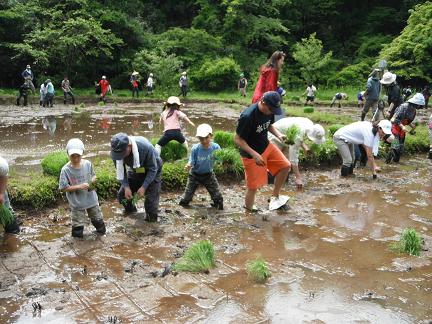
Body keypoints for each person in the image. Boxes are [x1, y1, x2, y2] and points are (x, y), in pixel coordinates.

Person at [235, 91, 291, 211]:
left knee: (286, 166)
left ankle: (275, 197)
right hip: (251, 154)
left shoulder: (270, 110)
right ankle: (249, 209)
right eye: (270, 109)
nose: (271, 112)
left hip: (266, 146)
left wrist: (279, 135)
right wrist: (254, 154)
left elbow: (269, 125)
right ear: (262, 102)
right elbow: (238, 139)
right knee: (253, 186)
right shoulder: (248, 116)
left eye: (274, 110)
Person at [59, 139, 106, 238]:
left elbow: (94, 176)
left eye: (78, 156)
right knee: (77, 225)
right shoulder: (66, 170)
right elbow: (63, 188)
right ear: (68, 154)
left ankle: (101, 235)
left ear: (82, 153)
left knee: (97, 219)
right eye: (73, 156)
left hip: (91, 199)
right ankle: (78, 243)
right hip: (77, 202)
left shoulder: (87, 164)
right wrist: (79, 186)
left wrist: (91, 181)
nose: (76, 159)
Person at [110, 133, 162, 222]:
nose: (120, 157)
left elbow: (153, 169)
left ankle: (152, 226)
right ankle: (132, 213)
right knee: (122, 196)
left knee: (150, 204)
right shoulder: (116, 152)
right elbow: (121, 172)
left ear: (129, 146)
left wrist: (144, 187)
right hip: (135, 169)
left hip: (153, 169)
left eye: (122, 153)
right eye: (118, 154)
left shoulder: (145, 147)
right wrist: (126, 187)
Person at [269, 117, 325, 189]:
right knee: (275, 161)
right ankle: (270, 186)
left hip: (287, 138)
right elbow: (294, 157)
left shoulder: (309, 125)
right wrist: (298, 177)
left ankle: (283, 185)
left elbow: (299, 138)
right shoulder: (299, 134)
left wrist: (305, 147)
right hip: (275, 134)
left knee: (286, 164)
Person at [179, 124, 224, 210]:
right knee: (186, 197)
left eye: (206, 137)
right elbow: (191, 160)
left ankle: (217, 206)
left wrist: (223, 163)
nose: (204, 141)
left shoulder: (215, 147)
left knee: (217, 196)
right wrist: (189, 165)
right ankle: (182, 206)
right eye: (201, 138)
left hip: (209, 175)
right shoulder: (195, 148)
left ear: (211, 136)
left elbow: (220, 158)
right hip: (194, 175)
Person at [387, 93, 425, 163]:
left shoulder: (414, 110)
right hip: (395, 128)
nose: (420, 106)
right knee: (394, 147)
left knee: (400, 149)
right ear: (415, 103)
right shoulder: (403, 107)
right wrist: (402, 126)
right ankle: (388, 163)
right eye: (419, 105)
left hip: (402, 131)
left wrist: (412, 126)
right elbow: (395, 119)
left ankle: (395, 165)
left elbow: (407, 121)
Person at [0, 156, 21, 234]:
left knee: (5, 207)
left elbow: (4, 177)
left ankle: (13, 230)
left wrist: (1, 193)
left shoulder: (2, 165)